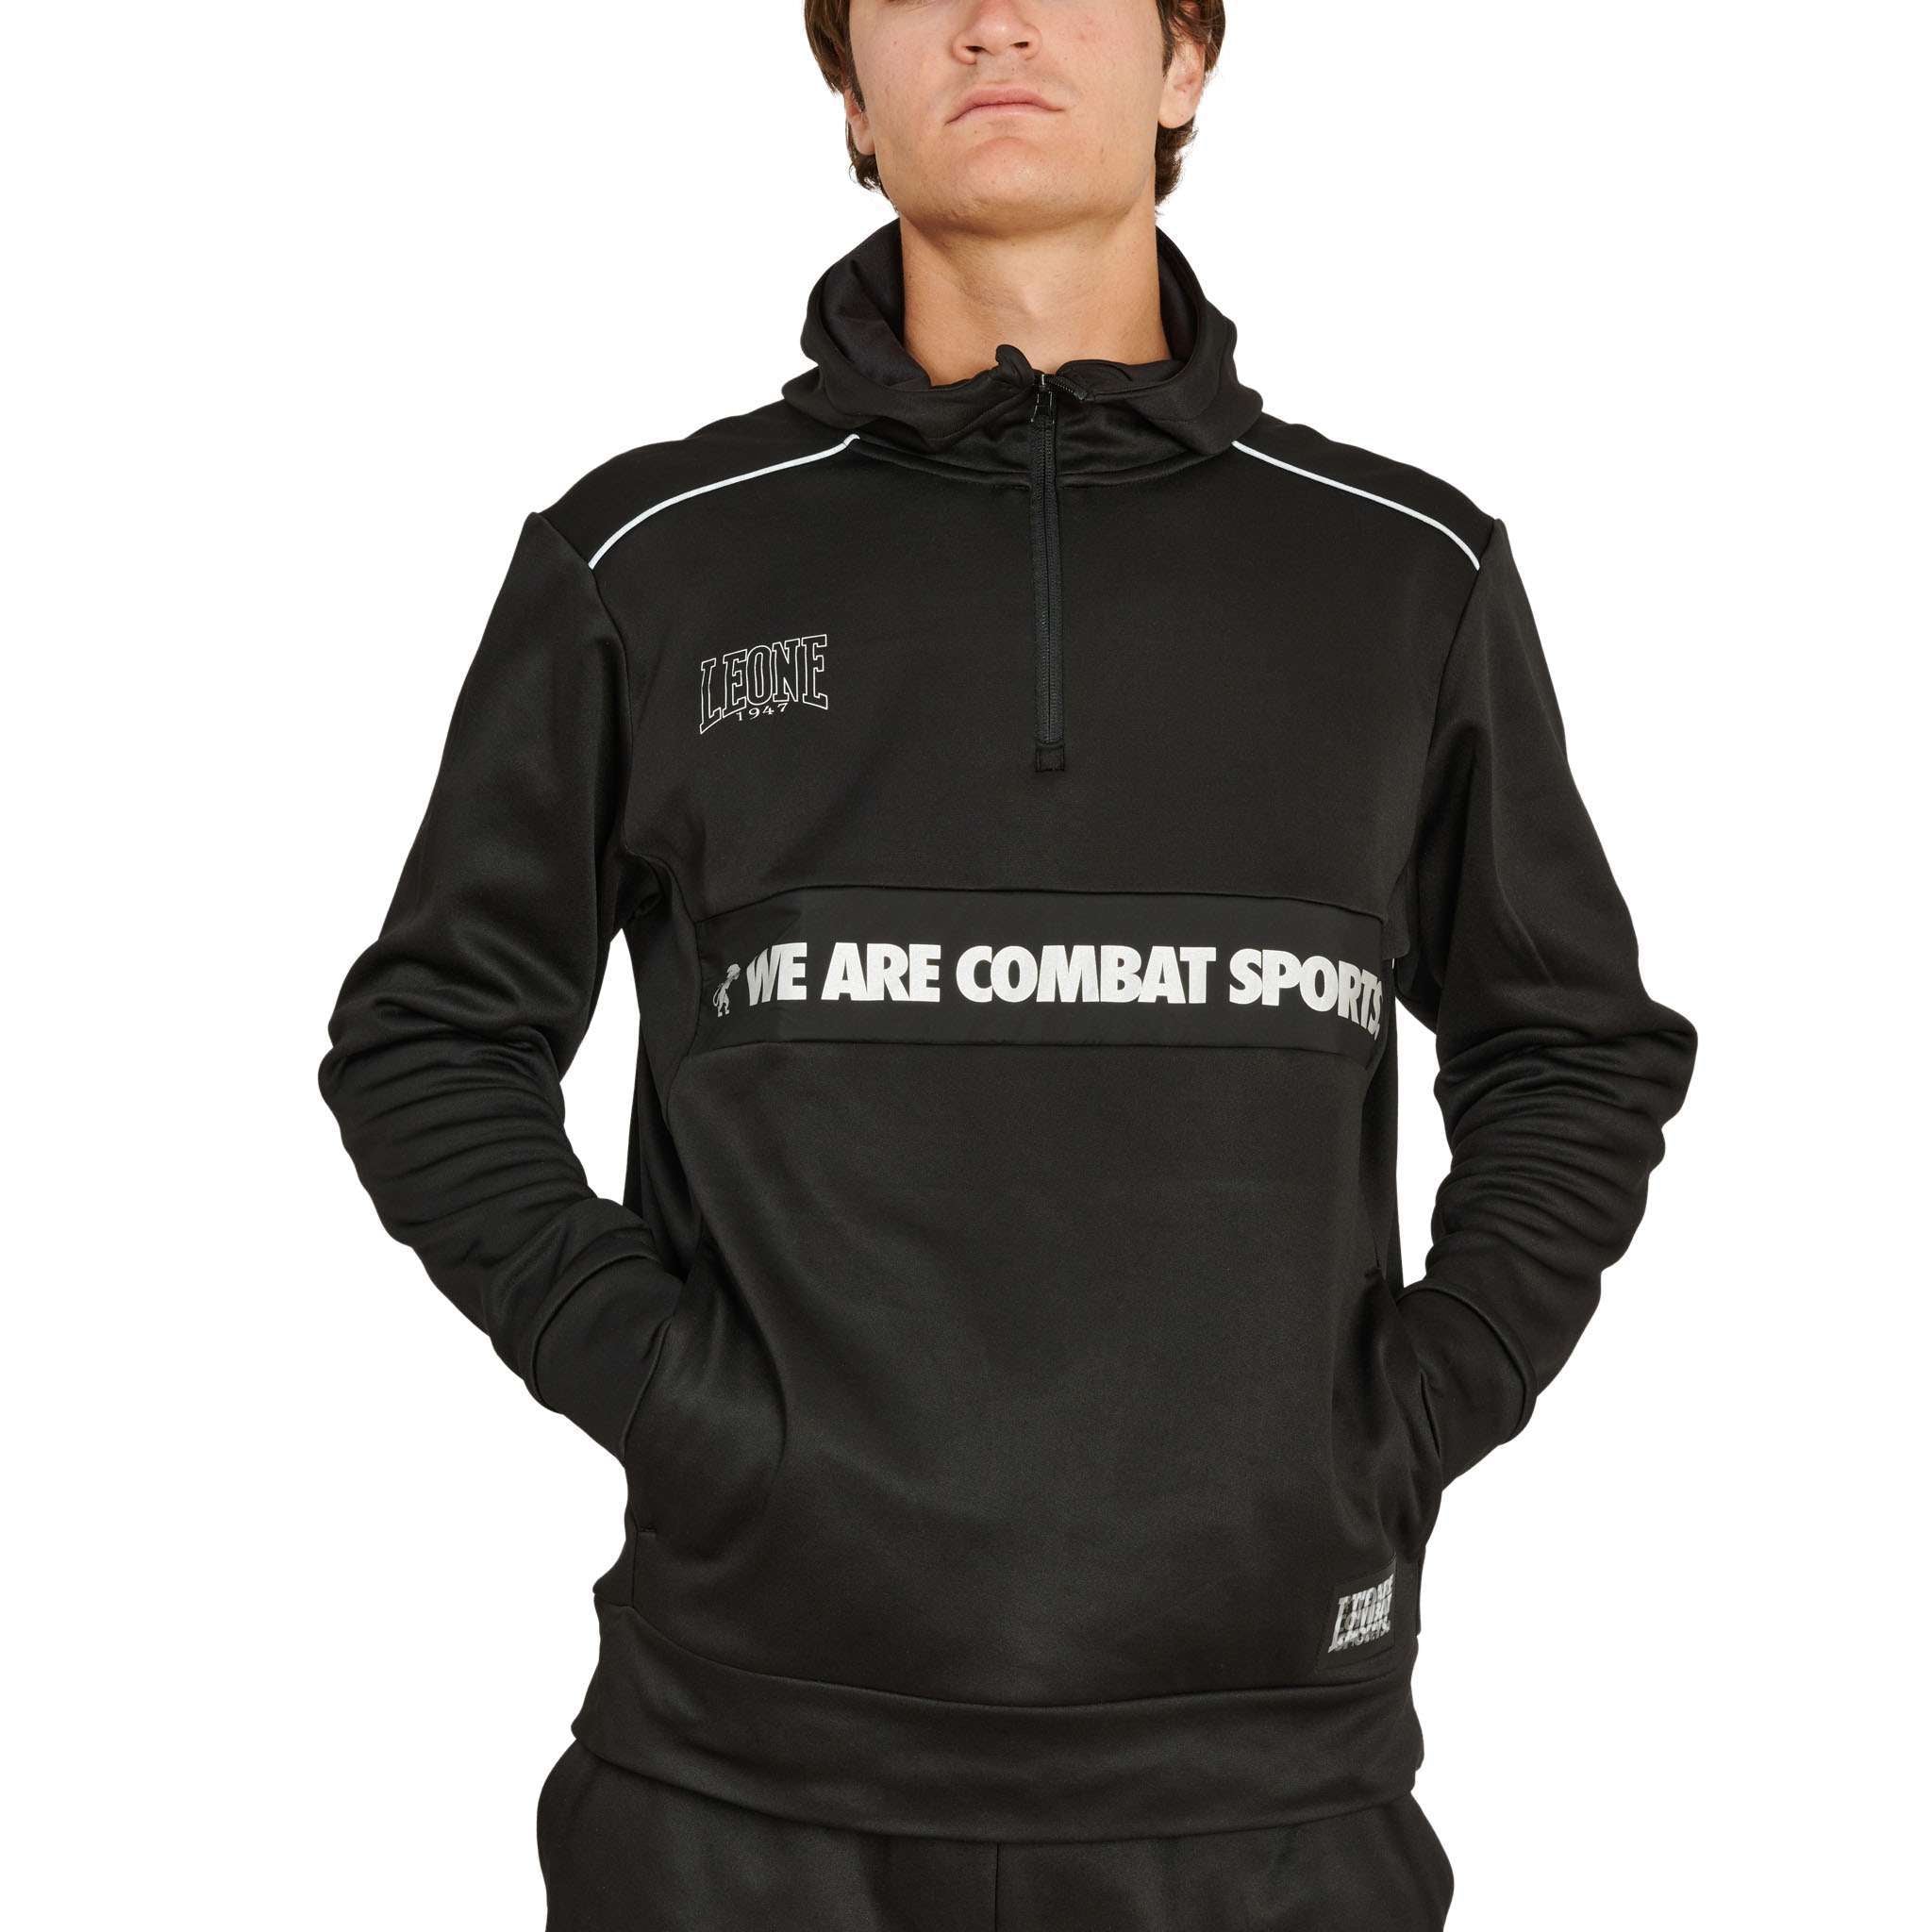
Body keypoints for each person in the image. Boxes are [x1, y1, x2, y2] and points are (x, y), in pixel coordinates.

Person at [318, 3, 1696, 1924]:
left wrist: (1389, 1430)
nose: (992, 20)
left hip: (1262, 1794)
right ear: (850, 88)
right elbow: (433, 1036)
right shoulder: (651, 557)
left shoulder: (1402, 570)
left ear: (1184, 62)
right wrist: (687, 1408)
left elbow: (1571, 1050)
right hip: (742, 1784)